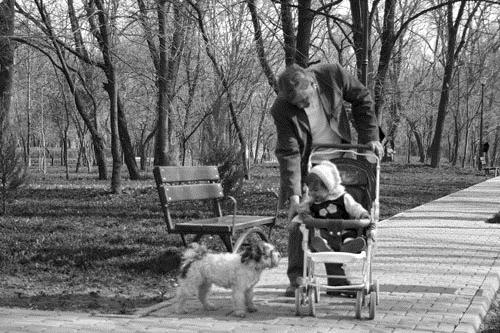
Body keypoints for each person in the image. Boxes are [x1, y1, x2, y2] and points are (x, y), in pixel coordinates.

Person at [270, 63, 382, 297]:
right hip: (307, 164)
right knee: (299, 219)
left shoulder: (332, 75)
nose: (303, 105)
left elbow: (362, 97)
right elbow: (289, 151)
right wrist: (293, 195)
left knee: (337, 214)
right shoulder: (281, 107)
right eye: (297, 105)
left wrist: (370, 137)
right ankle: (297, 278)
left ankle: (337, 278)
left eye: (305, 99)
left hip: (339, 160)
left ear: (312, 83)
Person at [298, 160, 369, 254]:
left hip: (344, 229)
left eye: (316, 190)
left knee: (349, 235)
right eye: (310, 190)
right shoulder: (312, 202)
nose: (312, 193)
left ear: (328, 187)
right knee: (318, 234)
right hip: (324, 231)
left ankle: (349, 246)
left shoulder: (342, 197)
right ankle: (323, 246)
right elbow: (305, 211)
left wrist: (363, 213)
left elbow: (354, 207)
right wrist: (304, 212)